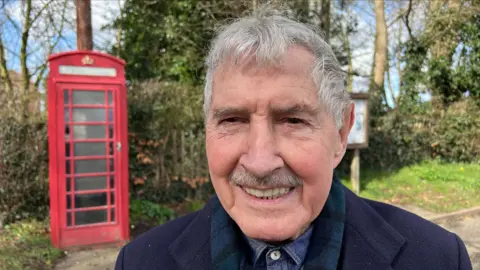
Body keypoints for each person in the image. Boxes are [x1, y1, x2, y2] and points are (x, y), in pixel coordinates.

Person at [115, 7, 472, 270]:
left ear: (340, 133)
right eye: (233, 119)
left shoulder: (437, 258)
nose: (259, 161)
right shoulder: (141, 262)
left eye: (293, 120)